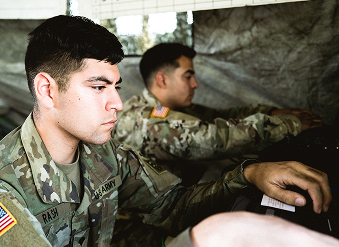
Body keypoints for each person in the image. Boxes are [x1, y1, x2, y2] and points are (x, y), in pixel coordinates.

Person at [0, 15, 336, 247]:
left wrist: (248, 175)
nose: (117, 103)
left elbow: (173, 205)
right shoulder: (6, 187)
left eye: (116, 86)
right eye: (99, 87)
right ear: (47, 90)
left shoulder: (105, 156)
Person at [112, 43, 323, 184]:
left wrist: (272, 112)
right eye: (188, 76)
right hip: (147, 224)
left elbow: (220, 116)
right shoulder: (142, 119)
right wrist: (288, 124)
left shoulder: (172, 110)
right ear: (162, 79)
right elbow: (210, 138)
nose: (195, 84)